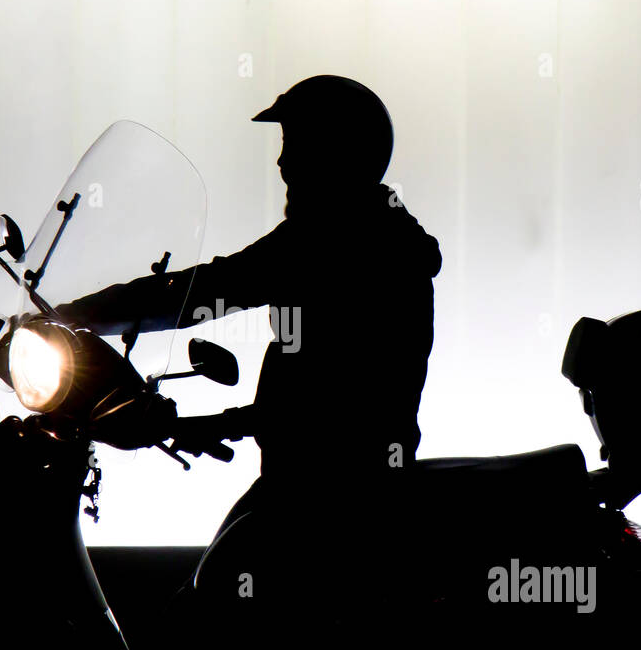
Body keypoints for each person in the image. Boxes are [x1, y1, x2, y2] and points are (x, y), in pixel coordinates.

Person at [62, 76, 441, 558]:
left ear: (336, 149)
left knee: (217, 599)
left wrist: (79, 314)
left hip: (334, 498)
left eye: (295, 143)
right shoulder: (374, 234)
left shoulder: (341, 241)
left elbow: (209, 291)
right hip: (327, 484)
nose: (282, 161)